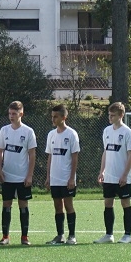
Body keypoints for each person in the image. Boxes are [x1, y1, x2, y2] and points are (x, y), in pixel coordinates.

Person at [0, 101, 37, 246]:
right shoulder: (4, 130)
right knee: (6, 204)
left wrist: (30, 175)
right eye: (10, 114)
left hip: (22, 176)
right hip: (7, 175)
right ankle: (5, 236)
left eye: (14, 114)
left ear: (21, 114)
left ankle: (24, 237)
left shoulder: (28, 132)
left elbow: (32, 154)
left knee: (23, 204)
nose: (11, 116)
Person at [95, 102, 131, 244]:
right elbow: (106, 152)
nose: (110, 118)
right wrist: (102, 171)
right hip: (109, 176)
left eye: (113, 115)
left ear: (121, 115)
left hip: (122, 177)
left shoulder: (127, 132)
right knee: (108, 204)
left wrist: (125, 175)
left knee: (125, 203)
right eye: (109, 115)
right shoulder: (106, 131)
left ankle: (127, 235)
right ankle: (109, 235)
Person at [44, 104, 80, 245]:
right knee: (57, 206)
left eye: (56, 116)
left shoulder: (71, 134)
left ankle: (72, 236)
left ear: (64, 117)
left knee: (68, 205)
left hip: (67, 178)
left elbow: (75, 157)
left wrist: (72, 178)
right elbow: (50, 157)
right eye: (52, 116)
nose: (53, 119)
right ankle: (60, 235)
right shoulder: (51, 135)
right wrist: (48, 177)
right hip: (55, 178)